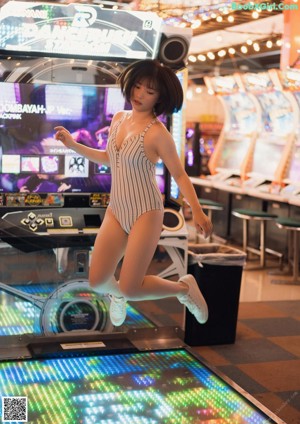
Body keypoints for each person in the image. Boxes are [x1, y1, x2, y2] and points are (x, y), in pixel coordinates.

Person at [54, 59, 213, 327]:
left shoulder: (158, 134)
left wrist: (196, 210)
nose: (139, 95)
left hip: (146, 212)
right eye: (138, 86)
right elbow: (108, 157)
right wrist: (72, 144)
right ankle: (118, 296)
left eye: (149, 92)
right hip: (117, 209)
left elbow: (180, 174)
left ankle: (184, 289)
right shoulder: (119, 118)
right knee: (98, 280)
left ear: (160, 97)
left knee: (130, 287)